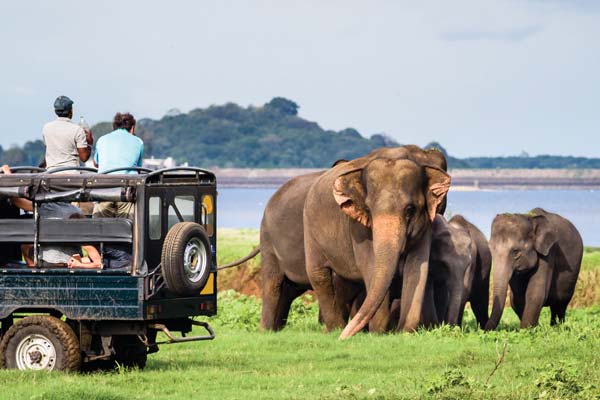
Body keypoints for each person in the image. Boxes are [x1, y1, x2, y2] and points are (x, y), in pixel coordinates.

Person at [93, 112, 143, 219]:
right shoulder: (138, 141)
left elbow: (96, 163)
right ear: (132, 128)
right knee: (127, 228)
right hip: (126, 191)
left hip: (103, 189)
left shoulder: (102, 139)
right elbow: (138, 169)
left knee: (100, 228)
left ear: (114, 126)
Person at [42, 96, 94, 171]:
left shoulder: (46, 128)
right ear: (71, 111)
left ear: (55, 111)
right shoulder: (77, 129)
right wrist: (89, 144)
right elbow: (84, 157)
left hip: (51, 173)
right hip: (71, 174)